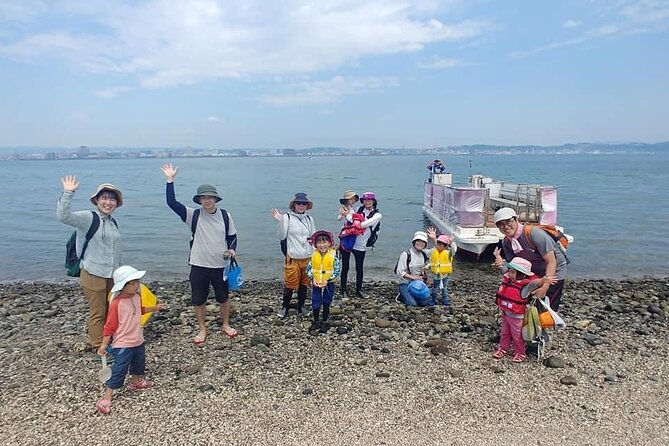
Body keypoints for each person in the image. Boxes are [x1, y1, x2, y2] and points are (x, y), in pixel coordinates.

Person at [161, 164, 238, 345]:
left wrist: (233, 250)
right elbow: (172, 203)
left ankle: (226, 324)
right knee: (198, 299)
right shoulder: (192, 215)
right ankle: (202, 328)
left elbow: (232, 236)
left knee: (223, 297)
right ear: (199, 200)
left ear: (215, 199)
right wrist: (170, 180)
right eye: (203, 198)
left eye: (210, 197)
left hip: (220, 265)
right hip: (198, 264)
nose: (206, 200)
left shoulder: (225, 216)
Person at [57, 176, 122, 353]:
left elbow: (115, 252)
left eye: (112, 199)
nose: (108, 202)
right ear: (97, 200)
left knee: (111, 309)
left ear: (117, 202)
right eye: (105, 198)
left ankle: (109, 341)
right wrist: (68, 192)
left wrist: (121, 275)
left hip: (111, 275)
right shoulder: (88, 217)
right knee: (98, 312)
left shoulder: (112, 222)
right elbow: (64, 216)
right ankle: (97, 347)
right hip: (93, 273)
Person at [96, 265, 167, 415]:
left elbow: (140, 310)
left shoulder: (136, 297)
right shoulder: (116, 303)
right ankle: (107, 397)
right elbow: (110, 325)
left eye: (137, 282)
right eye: (133, 283)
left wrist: (154, 308)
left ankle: (136, 382)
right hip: (123, 342)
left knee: (139, 362)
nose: (137, 286)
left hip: (138, 339)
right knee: (119, 368)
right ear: (123, 286)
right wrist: (104, 344)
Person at [493, 207, 568, 311]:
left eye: (509, 222)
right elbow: (514, 268)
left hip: (554, 272)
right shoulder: (506, 242)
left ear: (516, 220)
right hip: (533, 274)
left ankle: (547, 325)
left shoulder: (534, 234)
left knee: (546, 308)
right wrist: (502, 264)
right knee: (527, 306)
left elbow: (551, 261)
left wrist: (545, 287)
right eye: (501, 224)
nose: (506, 226)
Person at [491, 256, 556, 363]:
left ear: (521, 274)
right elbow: (503, 268)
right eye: (510, 271)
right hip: (506, 313)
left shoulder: (525, 288)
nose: (509, 274)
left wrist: (544, 280)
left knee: (517, 336)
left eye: (513, 272)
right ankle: (503, 348)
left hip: (517, 317)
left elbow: (533, 284)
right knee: (504, 333)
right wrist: (498, 257)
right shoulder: (509, 279)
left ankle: (520, 352)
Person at [271, 193, 316, 318]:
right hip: (292, 257)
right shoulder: (287, 218)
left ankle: (301, 306)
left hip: (307, 257)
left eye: (304, 204)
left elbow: (313, 237)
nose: (301, 206)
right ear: (294, 205)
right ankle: (285, 306)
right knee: (290, 284)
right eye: (299, 203)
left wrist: (317, 254)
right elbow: (281, 236)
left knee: (304, 284)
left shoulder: (309, 219)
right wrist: (280, 221)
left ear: (307, 206)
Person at [339, 191, 382, 298]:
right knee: (345, 266)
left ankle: (359, 290)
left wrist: (347, 216)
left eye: (369, 200)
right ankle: (343, 289)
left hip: (360, 244)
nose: (367, 202)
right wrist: (343, 213)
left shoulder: (377, 215)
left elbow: (361, 225)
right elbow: (347, 216)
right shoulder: (359, 209)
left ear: (373, 201)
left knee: (359, 268)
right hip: (348, 240)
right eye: (365, 200)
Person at [306, 230, 341, 333]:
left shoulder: (333, 256)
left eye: (325, 242)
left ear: (330, 243)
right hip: (316, 283)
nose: (322, 245)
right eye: (319, 243)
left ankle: (325, 320)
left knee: (327, 301)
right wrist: (313, 278)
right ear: (315, 245)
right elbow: (308, 269)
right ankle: (316, 320)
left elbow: (337, 270)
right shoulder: (313, 256)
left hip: (328, 283)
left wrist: (328, 280)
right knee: (316, 302)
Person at [395, 231, 430, 307]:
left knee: (424, 303)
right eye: (418, 241)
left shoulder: (424, 254)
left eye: (423, 242)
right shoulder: (406, 254)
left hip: (418, 283)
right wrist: (413, 277)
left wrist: (434, 238)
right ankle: (402, 295)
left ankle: (412, 295)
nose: (420, 243)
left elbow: (438, 251)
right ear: (414, 242)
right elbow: (399, 272)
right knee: (412, 304)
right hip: (405, 283)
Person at [425, 228, 456, 306]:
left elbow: (454, 250)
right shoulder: (434, 252)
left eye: (440, 245)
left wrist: (452, 242)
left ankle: (445, 300)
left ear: (445, 246)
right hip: (436, 275)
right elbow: (431, 261)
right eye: (437, 244)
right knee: (435, 288)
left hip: (445, 275)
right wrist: (427, 266)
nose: (438, 246)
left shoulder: (449, 253)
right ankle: (433, 300)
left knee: (444, 288)